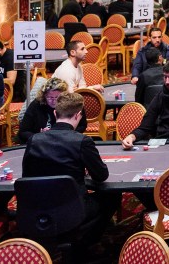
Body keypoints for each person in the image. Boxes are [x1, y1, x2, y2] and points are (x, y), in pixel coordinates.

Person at [22, 91, 117, 259]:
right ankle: (83, 245)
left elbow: (26, 176)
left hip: (39, 207)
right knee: (112, 196)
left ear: (55, 113)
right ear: (78, 115)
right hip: (73, 209)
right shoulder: (83, 141)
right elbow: (101, 176)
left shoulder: (34, 140)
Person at [18, 77, 86, 143]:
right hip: (41, 142)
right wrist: (39, 136)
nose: (53, 101)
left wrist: (66, 134)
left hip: (66, 141)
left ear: (64, 96)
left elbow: (82, 126)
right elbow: (23, 132)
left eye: (57, 97)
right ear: (44, 96)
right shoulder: (36, 104)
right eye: (50, 97)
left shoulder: (73, 104)